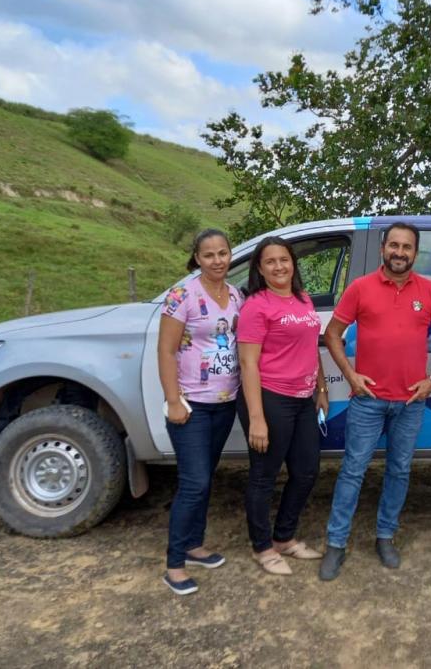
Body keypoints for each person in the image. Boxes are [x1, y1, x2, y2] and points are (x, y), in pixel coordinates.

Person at [319, 221, 431, 581]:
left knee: (399, 470)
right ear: (383, 249)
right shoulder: (361, 288)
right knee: (352, 470)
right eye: (393, 245)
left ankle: (385, 536)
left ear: (415, 253)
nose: (399, 252)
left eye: (406, 247)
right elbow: (332, 335)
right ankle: (336, 543)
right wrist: (350, 375)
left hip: (410, 402)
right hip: (368, 400)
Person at [237, 236, 329, 575]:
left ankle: (284, 539)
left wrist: (320, 387)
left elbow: (311, 348)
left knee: (306, 472)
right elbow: (248, 364)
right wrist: (257, 419)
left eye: (284, 260)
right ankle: (262, 547)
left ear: (293, 263)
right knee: (264, 476)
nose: (279, 266)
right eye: (271, 261)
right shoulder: (256, 306)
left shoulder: (303, 299)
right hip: (270, 398)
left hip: (304, 398)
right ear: (260, 268)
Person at [158, 228, 242, 595]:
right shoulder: (182, 295)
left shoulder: (235, 294)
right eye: (209, 255)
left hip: (224, 403)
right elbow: (166, 350)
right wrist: (174, 400)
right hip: (191, 406)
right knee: (194, 483)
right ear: (196, 258)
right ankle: (174, 564)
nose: (218, 260)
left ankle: (194, 546)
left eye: (223, 253)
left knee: (205, 478)